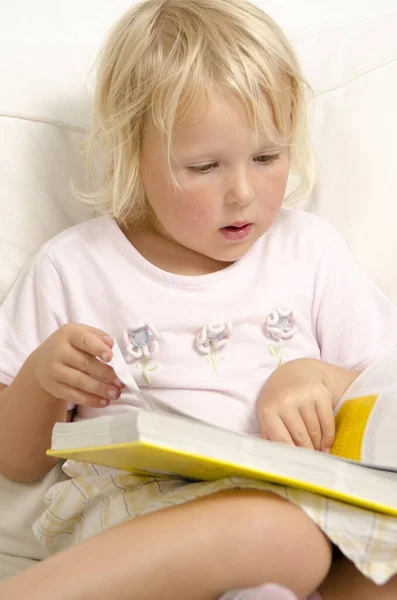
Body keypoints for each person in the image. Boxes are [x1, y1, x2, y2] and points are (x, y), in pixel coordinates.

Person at [0, 0, 397, 598]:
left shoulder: (309, 250)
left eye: (267, 157)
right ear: (133, 156)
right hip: (141, 507)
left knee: (376, 566)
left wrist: (311, 376)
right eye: (205, 165)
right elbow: (16, 462)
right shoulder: (73, 266)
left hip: (312, 506)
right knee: (276, 537)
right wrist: (40, 380)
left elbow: (382, 403)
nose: (243, 193)